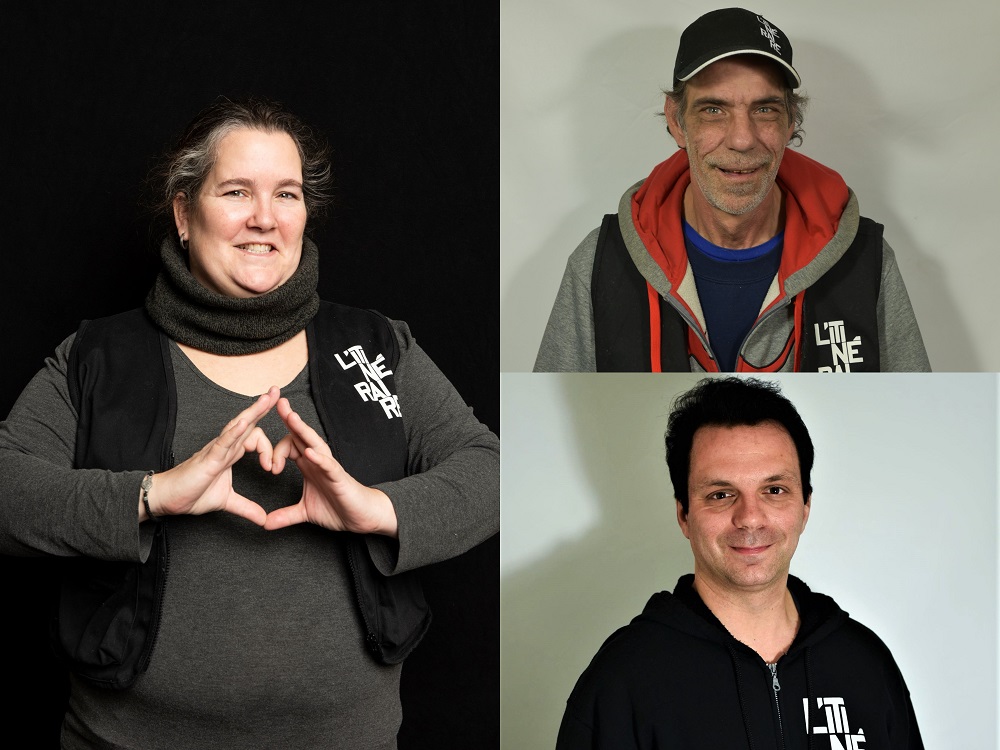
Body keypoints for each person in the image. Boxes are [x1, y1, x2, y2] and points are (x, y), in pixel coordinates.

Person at [0, 96, 499, 749]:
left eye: (286, 195)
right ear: (184, 212)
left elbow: (491, 473)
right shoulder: (99, 356)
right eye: (237, 191)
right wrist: (152, 496)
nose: (265, 219)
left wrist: (373, 507)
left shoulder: (375, 346)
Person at [534, 8, 929, 372]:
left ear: (791, 121)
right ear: (676, 122)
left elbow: (916, 424)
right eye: (713, 109)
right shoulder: (600, 264)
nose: (742, 140)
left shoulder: (865, 259)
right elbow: (547, 430)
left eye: (765, 109)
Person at [556, 377, 923, 749]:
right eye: (721, 494)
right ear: (684, 514)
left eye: (774, 490)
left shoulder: (864, 663)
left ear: (805, 507)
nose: (750, 518)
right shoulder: (622, 680)